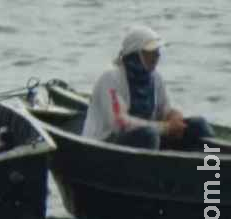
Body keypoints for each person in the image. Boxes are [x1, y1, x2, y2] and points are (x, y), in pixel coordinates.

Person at [82, 24, 212, 150]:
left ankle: (212, 168)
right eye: (152, 52)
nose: (157, 56)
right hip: (107, 143)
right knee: (148, 135)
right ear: (135, 54)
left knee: (199, 126)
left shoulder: (156, 78)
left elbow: (164, 110)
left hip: (149, 138)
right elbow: (119, 123)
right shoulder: (110, 78)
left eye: (158, 51)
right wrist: (165, 128)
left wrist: (174, 116)